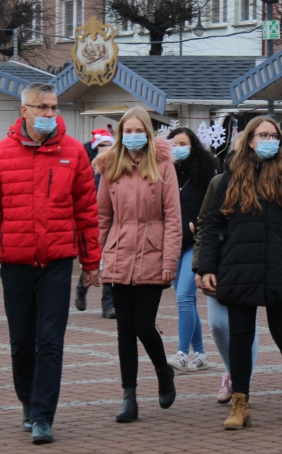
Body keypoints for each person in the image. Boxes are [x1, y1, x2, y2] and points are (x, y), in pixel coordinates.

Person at [0, 83, 100, 445]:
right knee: (21, 340)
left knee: (51, 341)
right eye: (42, 107)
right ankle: (27, 401)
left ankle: (44, 415)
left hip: (57, 262)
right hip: (15, 262)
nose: (49, 114)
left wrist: (91, 261)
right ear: (24, 110)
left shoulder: (73, 153)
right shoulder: (0, 155)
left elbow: (87, 213)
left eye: (53, 107)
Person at [198, 116, 282, 429]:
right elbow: (213, 223)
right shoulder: (232, 174)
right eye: (262, 135)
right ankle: (240, 404)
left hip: (279, 267)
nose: (268, 140)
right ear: (250, 140)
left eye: (273, 135)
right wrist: (207, 266)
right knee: (240, 337)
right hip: (238, 265)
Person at [95, 107, 182, 424]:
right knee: (124, 330)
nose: (133, 136)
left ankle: (163, 370)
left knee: (144, 324)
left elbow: (173, 217)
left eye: (138, 130)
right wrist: (96, 260)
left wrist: (170, 259)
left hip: (153, 253)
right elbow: (103, 217)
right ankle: (128, 396)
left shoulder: (162, 165)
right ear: (120, 134)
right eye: (127, 131)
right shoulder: (109, 167)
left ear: (147, 132)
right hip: (119, 254)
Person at [192, 137, 259, 405]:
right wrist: (201, 265)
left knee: (244, 328)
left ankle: (241, 383)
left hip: (252, 265)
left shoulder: (269, 182)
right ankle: (233, 370)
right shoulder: (219, 182)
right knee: (219, 325)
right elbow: (205, 223)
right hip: (220, 263)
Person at [167, 127, 217, 373]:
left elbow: (213, 208)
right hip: (174, 243)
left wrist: (196, 223)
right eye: (174, 143)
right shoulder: (167, 172)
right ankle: (201, 353)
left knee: (185, 297)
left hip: (194, 244)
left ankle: (182, 351)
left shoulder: (205, 175)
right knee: (186, 301)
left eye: (183, 143)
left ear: (193, 145)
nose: (178, 147)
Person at [75, 128, 116, 319]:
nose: (105, 150)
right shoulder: (89, 171)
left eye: (108, 146)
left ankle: (108, 305)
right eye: (102, 146)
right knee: (91, 262)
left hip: (115, 224)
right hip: (94, 223)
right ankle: (81, 290)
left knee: (110, 264)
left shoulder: (116, 171)